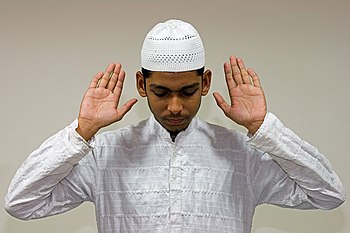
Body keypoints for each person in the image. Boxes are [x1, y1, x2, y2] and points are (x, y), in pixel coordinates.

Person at [5, 19, 345, 233]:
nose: (175, 107)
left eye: (187, 91)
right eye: (161, 92)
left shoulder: (243, 155)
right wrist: (80, 133)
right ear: (141, 85)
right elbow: (21, 204)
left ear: (205, 82)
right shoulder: (104, 154)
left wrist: (265, 129)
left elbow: (329, 196)